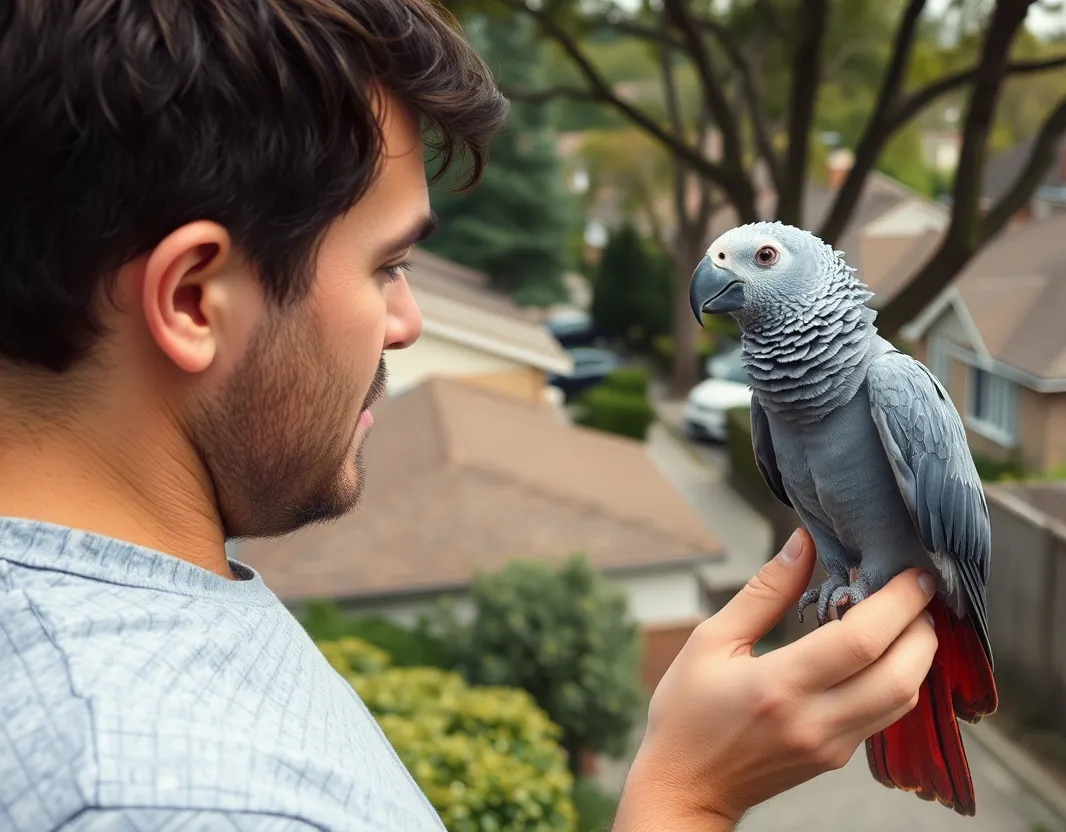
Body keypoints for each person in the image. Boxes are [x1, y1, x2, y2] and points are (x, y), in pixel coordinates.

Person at [0, 1, 938, 830]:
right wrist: (687, 797)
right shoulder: (178, 802)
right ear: (194, 301)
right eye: (387, 267)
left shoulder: (157, 596)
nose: (408, 324)